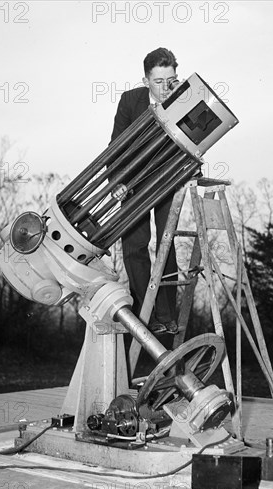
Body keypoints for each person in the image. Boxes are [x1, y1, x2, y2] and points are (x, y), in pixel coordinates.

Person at [110, 47, 180, 334]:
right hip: (134, 182)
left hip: (167, 178)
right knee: (134, 247)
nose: (166, 88)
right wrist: (118, 182)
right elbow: (115, 147)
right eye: (159, 82)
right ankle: (147, 314)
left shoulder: (184, 98)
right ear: (145, 81)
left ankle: (167, 315)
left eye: (171, 80)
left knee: (167, 246)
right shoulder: (130, 101)